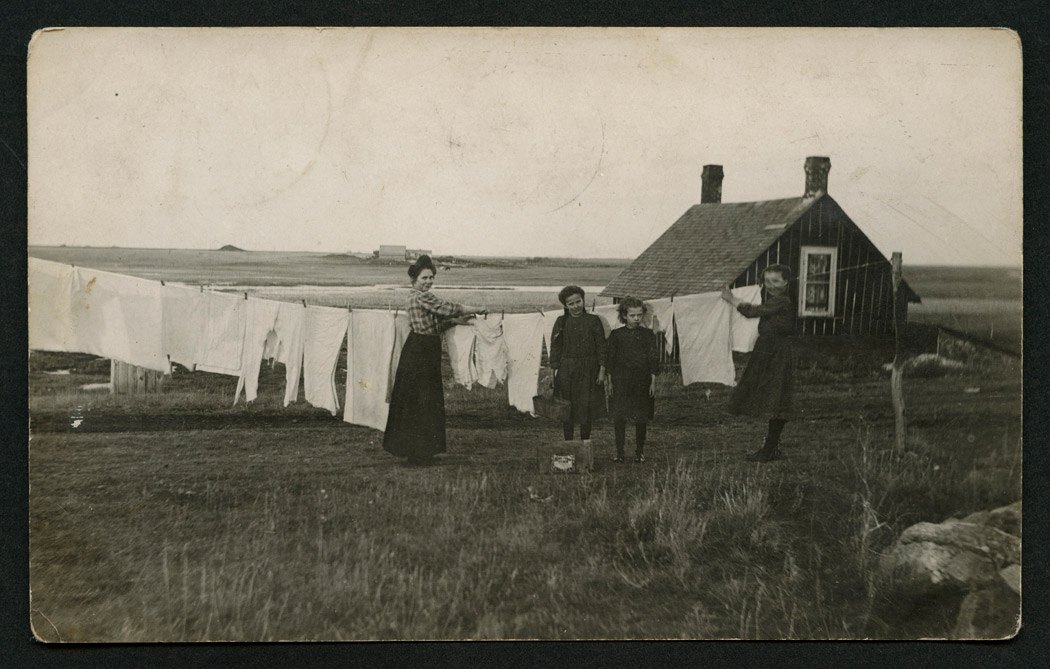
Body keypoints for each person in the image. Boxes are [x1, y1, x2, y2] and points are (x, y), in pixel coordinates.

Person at [383, 255, 487, 466]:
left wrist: (456, 321)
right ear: (414, 280)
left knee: (424, 399)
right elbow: (448, 307)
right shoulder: (420, 297)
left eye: (431, 277)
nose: (428, 282)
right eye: (424, 278)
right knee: (420, 399)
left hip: (425, 349)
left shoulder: (419, 298)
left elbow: (437, 325)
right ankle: (417, 453)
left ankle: (421, 451)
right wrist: (475, 309)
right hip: (419, 351)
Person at [720, 264, 797, 462]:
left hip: (778, 352)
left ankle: (770, 448)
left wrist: (732, 299)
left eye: (776, 281)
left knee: (778, 397)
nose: (770, 286)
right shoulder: (771, 298)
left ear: (786, 282)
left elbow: (753, 312)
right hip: (767, 350)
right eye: (767, 281)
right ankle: (771, 446)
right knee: (771, 396)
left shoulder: (783, 301)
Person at [605, 297, 660, 463]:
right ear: (624, 315)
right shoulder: (616, 335)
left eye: (639, 315)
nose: (636, 318)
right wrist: (610, 382)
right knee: (619, 417)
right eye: (632, 315)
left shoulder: (648, 335)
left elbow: (653, 360)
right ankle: (620, 453)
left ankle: (639, 452)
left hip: (642, 381)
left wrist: (653, 382)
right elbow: (610, 360)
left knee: (641, 417)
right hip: (621, 381)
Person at [549, 285, 607, 442]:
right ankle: (568, 445)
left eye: (578, 301)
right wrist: (553, 373)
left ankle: (584, 446)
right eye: (571, 304)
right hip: (567, 371)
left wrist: (601, 371)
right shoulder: (561, 322)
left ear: (583, 300)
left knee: (585, 410)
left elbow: (602, 346)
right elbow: (555, 349)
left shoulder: (593, 321)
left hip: (589, 370)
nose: (576, 306)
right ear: (565, 306)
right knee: (567, 408)